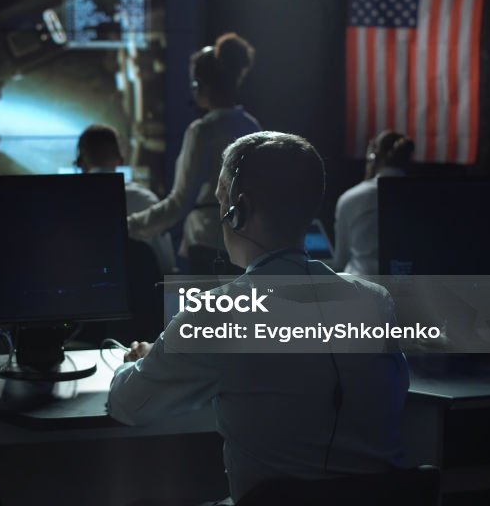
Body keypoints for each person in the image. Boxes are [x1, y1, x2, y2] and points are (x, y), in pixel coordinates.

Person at [109, 132, 409, 504]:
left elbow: (129, 406)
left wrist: (139, 363)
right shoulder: (375, 302)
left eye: (221, 201)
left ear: (240, 209)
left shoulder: (219, 314)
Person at [127, 32, 261, 275]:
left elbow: (179, 203)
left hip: (207, 245)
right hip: (247, 247)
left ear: (200, 85)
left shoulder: (202, 131)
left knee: (208, 313)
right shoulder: (252, 126)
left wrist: (129, 226)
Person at [76, 124, 176, 274]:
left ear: (80, 161)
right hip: (140, 294)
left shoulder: (68, 202)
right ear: (120, 159)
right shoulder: (145, 200)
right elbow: (166, 264)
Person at [331, 131, 415, 276]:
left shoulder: (351, 198)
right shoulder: (424, 197)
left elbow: (340, 260)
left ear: (373, 157)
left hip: (361, 288)